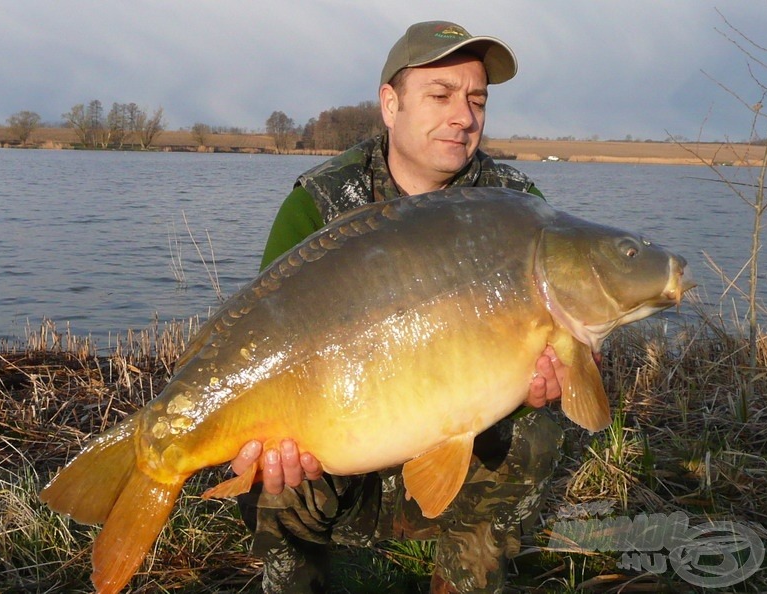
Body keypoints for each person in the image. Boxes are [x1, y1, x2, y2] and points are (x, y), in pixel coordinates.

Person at [233, 21, 566, 593]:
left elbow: (559, 331)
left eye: (476, 98)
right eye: (440, 95)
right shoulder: (318, 202)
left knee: (538, 426)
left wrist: (548, 376)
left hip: (457, 463)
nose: (464, 116)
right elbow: (260, 344)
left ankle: (466, 572)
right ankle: (298, 576)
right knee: (272, 467)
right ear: (390, 104)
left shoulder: (516, 206)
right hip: (339, 458)